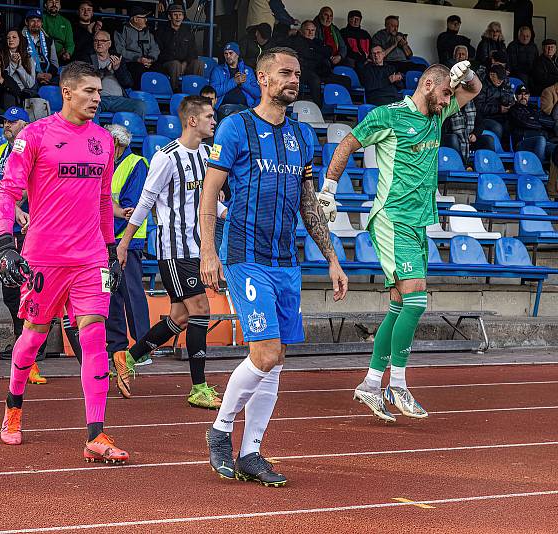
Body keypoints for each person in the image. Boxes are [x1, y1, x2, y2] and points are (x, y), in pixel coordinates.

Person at [201, 47, 347, 487]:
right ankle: (220, 431)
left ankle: (252, 451)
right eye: (285, 72)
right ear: (261, 79)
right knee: (264, 353)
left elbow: (308, 201)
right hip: (246, 256)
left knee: (277, 358)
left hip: (287, 261)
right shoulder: (235, 126)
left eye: (297, 73)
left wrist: (332, 257)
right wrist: (209, 251)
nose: (293, 79)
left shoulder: (302, 136)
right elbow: (210, 194)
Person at [326, 61, 481, 422]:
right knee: (416, 301)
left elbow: (472, 90)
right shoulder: (389, 116)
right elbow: (348, 142)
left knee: (399, 306)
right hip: (392, 219)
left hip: (418, 222)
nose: (448, 102)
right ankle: (398, 384)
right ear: (427, 85)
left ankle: (370, 383)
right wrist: (329, 189)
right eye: (444, 93)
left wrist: (465, 74)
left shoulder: (436, 116)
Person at [0, 61, 128, 464]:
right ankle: (13, 410)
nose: (97, 98)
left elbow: (105, 201)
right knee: (33, 337)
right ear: (67, 92)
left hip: (89, 260)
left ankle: (95, 434)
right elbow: (8, 191)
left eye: (100, 92)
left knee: (93, 338)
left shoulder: (104, 141)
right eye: (89, 91)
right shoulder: (34, 135)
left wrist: (109, 249)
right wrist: (5, 242)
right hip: (44, 259)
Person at [114, 95, 224, 408]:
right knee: (201, 309)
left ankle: (129, 358)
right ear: (192, 120)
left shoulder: (206, 154)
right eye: (208, 116)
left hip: (197, 248)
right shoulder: (166, 157)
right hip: (174, 251)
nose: (213, 121)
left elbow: (211, 201)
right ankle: (199, 388)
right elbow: (146, 203)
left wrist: (235, 212)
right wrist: (124, 243)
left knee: (180, 317)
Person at [0, 106, 49, 385]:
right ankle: (20, 342)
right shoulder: (0, 152)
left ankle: (34, 348)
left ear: (26, 124)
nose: (7, 125)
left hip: (31, 229)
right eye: (5, 122)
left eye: (13, 121)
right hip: (6, 231)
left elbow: (30, 187)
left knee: (31, 290)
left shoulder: (36, 147)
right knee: (10, 293)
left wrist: (15, 204)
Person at [103, 124, 151, 366]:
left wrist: (122, 239)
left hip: (127, 241)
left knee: (132, 293)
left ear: (118, 145)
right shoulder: (105, 165)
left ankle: (142, 347)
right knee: (110, 293)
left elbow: (131, 209)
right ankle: (116, 347)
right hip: (104, 240)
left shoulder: (137, 164)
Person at [285, 22, 352, 107]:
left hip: (322, 71)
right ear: (301, 31)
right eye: (308, 30)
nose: (310, 32)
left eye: (312, 30)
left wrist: (316, 51)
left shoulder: (317, 41)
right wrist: (320, 53)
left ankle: (343, 107)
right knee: (315, 80)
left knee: (346, 80)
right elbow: (307, 54)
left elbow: (329, 50)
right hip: (306, 72)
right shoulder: (297, 41)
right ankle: (318, 108)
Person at [88, 30, 147, 118]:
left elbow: (128, 83)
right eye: (96, 40)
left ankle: (134, 131)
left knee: (140, 105)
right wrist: (106, 70)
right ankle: (95, 132)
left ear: (109, 44)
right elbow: (89, 80)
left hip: (119, 99)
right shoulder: (89, 57)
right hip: (99, 99)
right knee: (90, 107)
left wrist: (117, 69)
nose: (99, 43)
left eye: (103, 41)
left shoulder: (117, 58)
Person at [155, 3, 203, 91]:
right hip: (167, 65)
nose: (178, 17)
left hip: (185, 66)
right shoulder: (161, 32)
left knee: (198, 63)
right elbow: (159, 53)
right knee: (175, 64)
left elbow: (193, 53)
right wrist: (177, 62)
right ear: (169, 17)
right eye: (175, 15)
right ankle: (175, 92)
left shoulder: (188, 33)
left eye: (180, 15)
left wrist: (185, 63)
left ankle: (194, 91)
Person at [508, 85, 557, 162]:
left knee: (556, 148)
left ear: (529, 96)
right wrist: (542, 123)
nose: (523, 97)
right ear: (516, 96)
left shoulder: (535, 108)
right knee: (541, 140)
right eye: (520, 94)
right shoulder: (514, 109)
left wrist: (535, 118)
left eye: (525, 94)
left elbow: (551, 122)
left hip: (542, 143)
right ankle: (537, 169)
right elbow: (527, 123)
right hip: (522, 143)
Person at [209, 42, 260, 115]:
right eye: (225, 53)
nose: (228, 56)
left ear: (237, 54)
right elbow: (213, 92)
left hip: (246, 108)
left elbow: (258, 93)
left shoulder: (248, 70)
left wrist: (243, 83)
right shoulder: (217, 70)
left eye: (231, 53)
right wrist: (234, 81)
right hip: (226, 108)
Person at [115, 6, 161, 84]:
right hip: (130, 62)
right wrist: (137, 59)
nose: (146, 20)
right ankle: (139, 93)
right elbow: (120, 50)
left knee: (159, 69)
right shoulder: (121, 30)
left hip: (147, 62)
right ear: (136, 19)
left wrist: (150, 59)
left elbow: (155, 48)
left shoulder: (149, 31)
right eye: (144, 18)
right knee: (139, 69)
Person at [442, 99, 493, 165]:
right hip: (454, 138)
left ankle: (488, 168)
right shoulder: (449, 103)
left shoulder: (473, 102)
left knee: (488, 139)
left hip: (470, 138)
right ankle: (460, 166)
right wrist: (461, 136)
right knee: (453, 138)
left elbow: (481, 123)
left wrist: (475, 134)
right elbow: (444, 127)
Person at [21, 9, 60, 87]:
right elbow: (19, 63)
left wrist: (50, 74)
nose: (36, 24)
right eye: (32, 21)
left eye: (38, 21)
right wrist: (36, 75)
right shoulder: (20, 39)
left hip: (48, 76)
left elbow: (55, 63)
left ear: (41, 23)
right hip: (28, 76)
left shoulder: (49, 40)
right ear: (26, 22)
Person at [476, 64, 514, 143]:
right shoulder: (482, 86)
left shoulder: (504, 83)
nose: (501, 80)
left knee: (513, 124)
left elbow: (511, 97)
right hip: (485, 117)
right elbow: (479, 107)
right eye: (499, 78)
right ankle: (498, 150)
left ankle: (509, 150)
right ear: (491, 75)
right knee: (497, 127)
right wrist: (499, 109)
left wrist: (509, 102)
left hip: (502, 116)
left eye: (502, 78)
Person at [1, 29, 37, 101]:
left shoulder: (28, 58)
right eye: (8, 38)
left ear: (20, 39)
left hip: (25, 93)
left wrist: (19, 67)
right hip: (8, 92)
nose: (11, 39)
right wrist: (13, 64)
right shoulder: (0, 56)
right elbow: (3, 77)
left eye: (14, 37)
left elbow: (30, 84)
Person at [42, 0, 74, 64]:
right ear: (45, 5)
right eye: (51, 2)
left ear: (60, 6)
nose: (54, 4)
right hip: (44, 52)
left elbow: (70, 43)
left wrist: (67, 53)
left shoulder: (66, 22)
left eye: (57, 2)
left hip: (61, 56)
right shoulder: (40, 19)